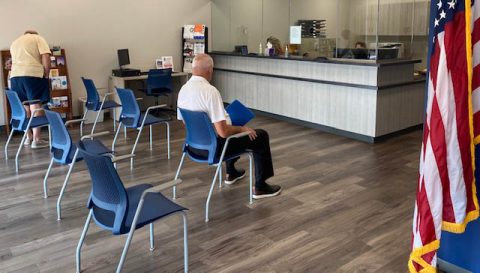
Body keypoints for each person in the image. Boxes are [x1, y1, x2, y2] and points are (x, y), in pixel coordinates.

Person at [177, 54, 282, 199]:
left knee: (229, 123)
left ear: (193, 69)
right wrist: (243, 129)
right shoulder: (210, 92)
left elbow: (186, 122)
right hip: (213, 150)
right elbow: (224, 132)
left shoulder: (183, 89)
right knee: (261, 135)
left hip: (193, 147)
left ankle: (231, 172)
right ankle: (261, 187)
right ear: (210, 71)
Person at [10, 30, 51, 148]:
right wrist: (46, 74)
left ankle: (28, 137)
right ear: (34, 34)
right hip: (32, 74)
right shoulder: (38, 38)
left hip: (15, 77)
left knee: (25, 106)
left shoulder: (15, 42)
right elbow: (45, 56)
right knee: (35, 105)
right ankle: (37, 139)